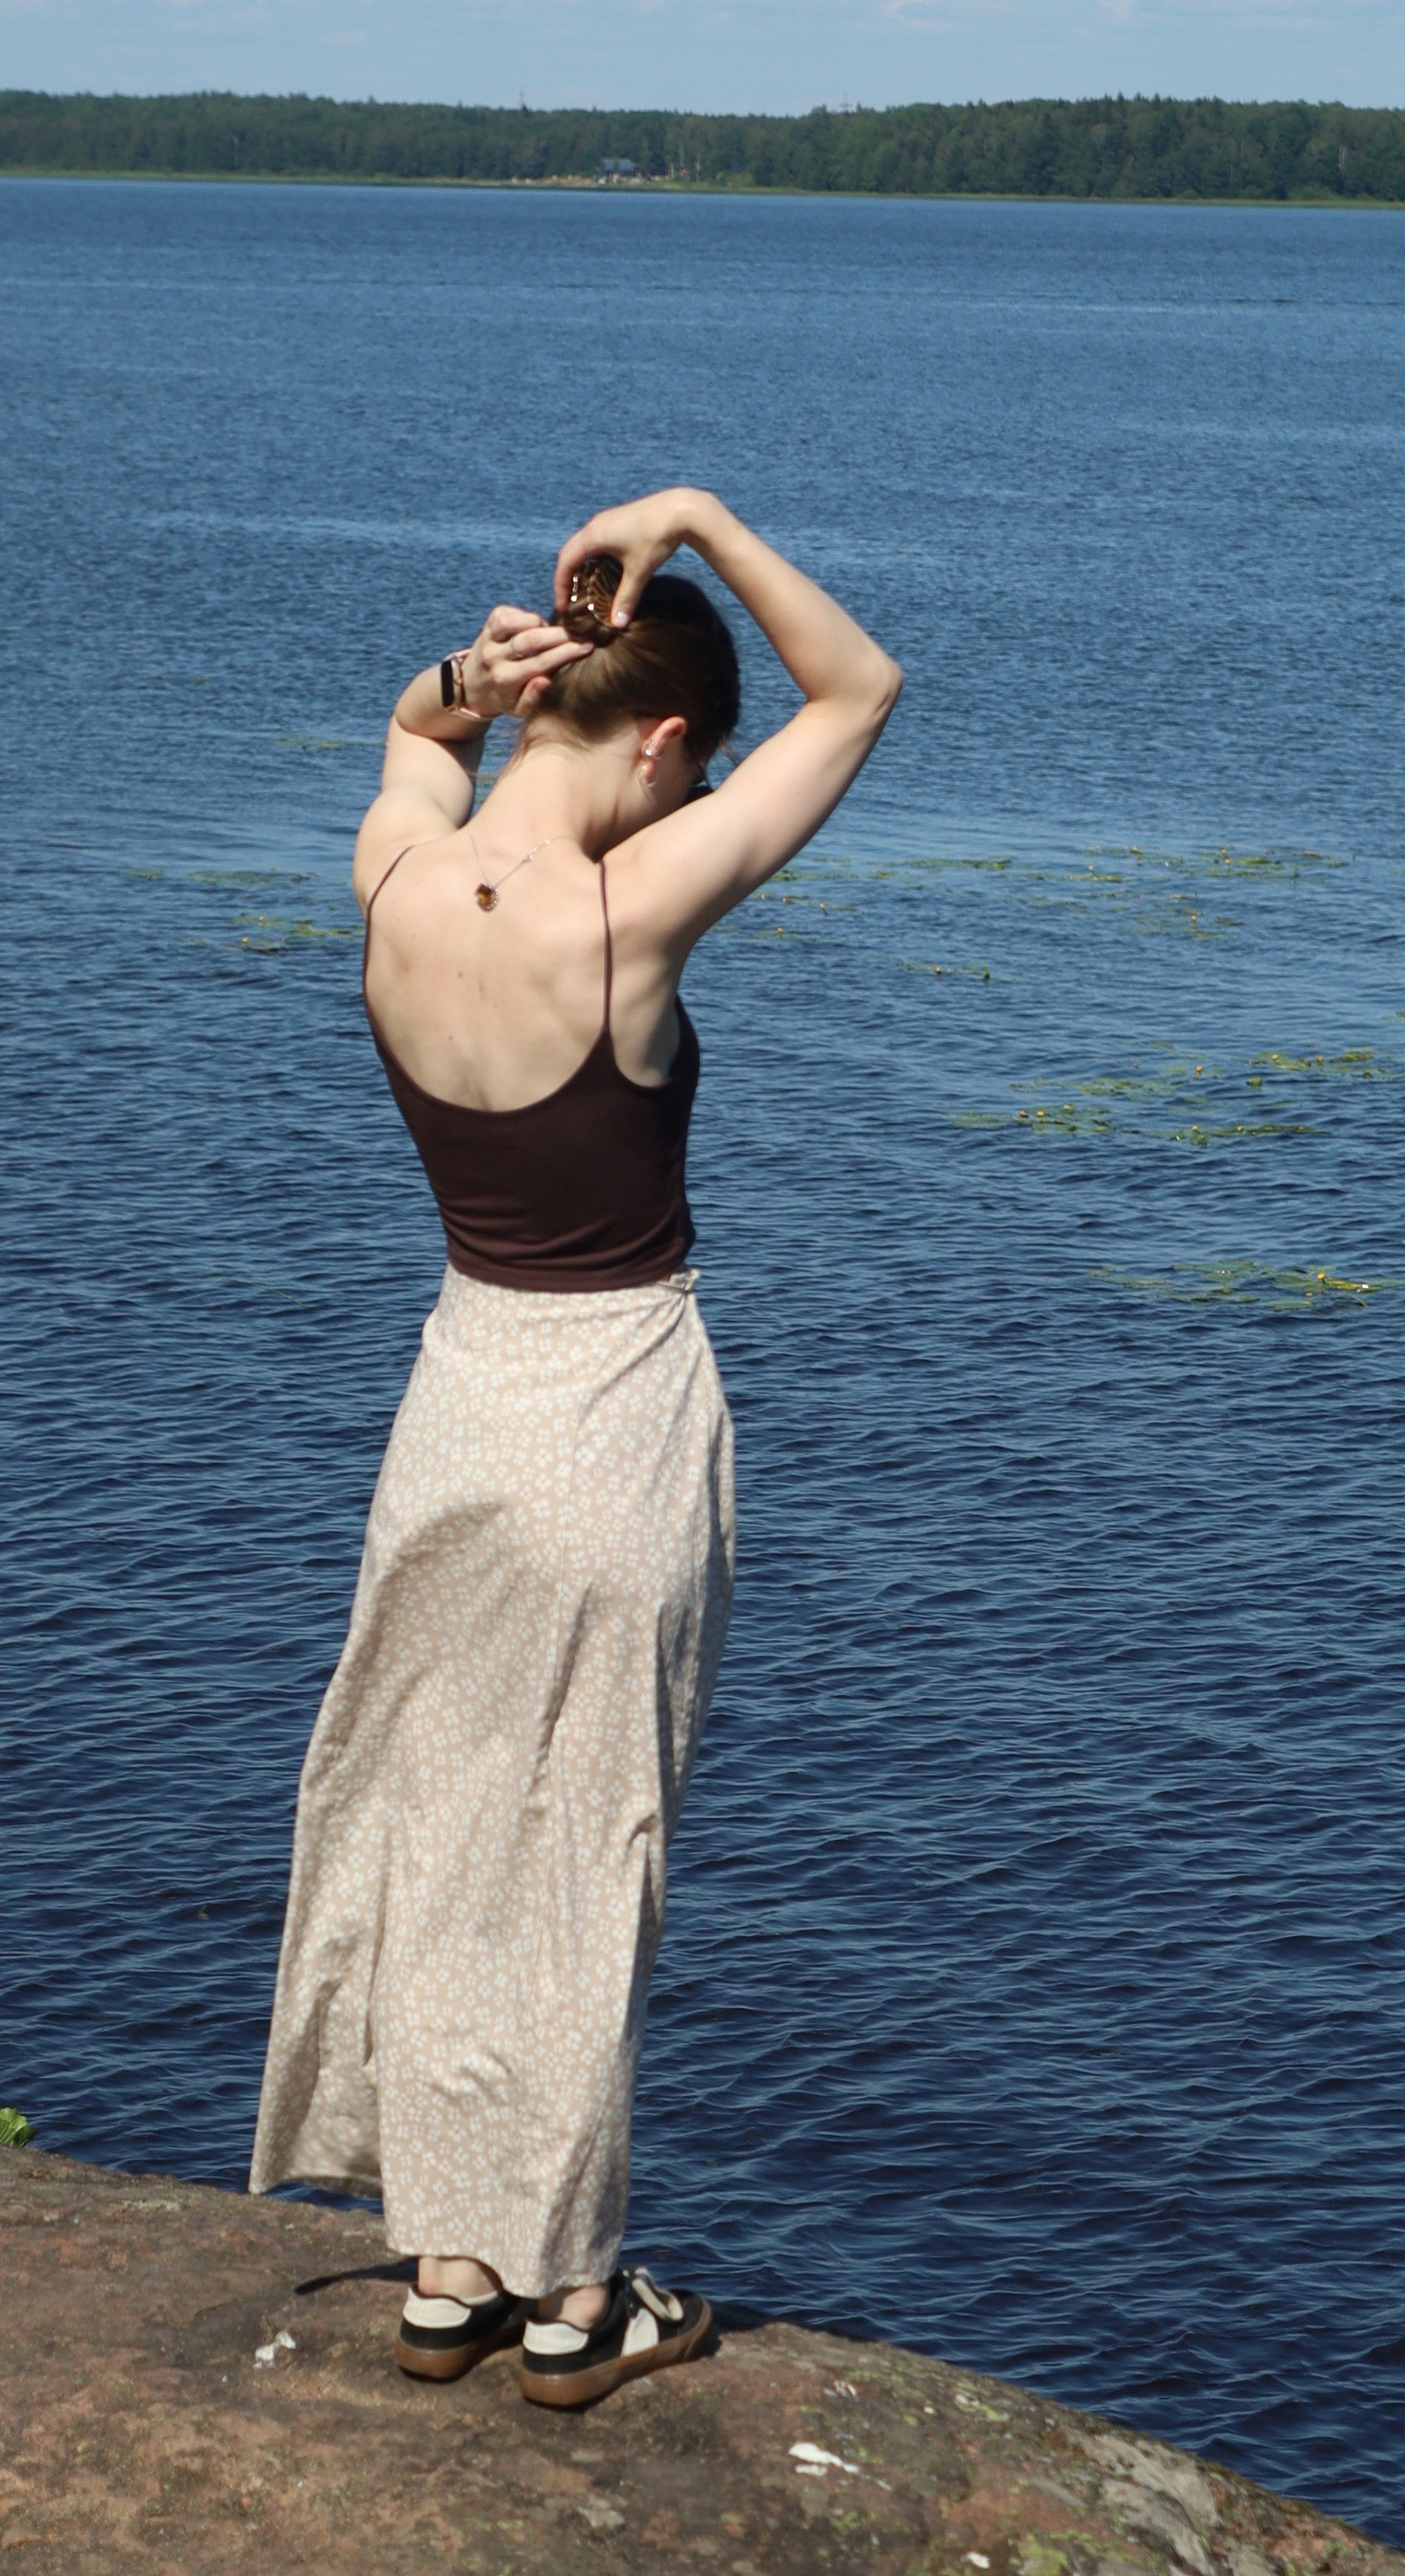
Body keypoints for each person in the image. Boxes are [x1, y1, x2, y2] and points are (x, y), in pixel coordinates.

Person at [250, 486, 901, 2409]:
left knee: (440, 1819)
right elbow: (856, 693)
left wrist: (466, 674)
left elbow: (404, 738)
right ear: (668, 742)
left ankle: (449, 2261)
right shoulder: (626, 911)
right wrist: (690, 511)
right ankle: (573, 2292)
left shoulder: (393, 873)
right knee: (586, 1842)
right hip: (611, 1410)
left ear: (536, 700)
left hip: (451, 1404)